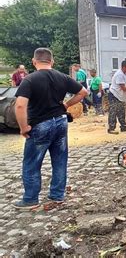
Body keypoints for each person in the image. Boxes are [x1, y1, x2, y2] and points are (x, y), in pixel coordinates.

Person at [14, 48, 87, 210]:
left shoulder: (29, 80)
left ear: (34, 62)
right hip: (61, 122)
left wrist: (23, 127)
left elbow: (20, 105)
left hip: (40, 125)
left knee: (32, 163)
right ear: (52, 62)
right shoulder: (62, 77)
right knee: (60, 160)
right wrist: (67, 104)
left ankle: (30, 199)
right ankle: (57, 194)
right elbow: (83, 92)